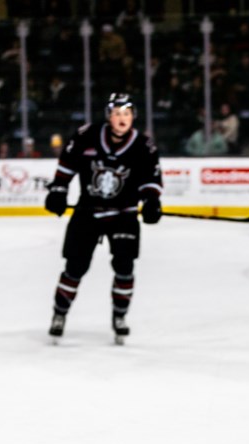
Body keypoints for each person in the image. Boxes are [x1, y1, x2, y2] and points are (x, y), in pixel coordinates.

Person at [43, 93, 163, 343]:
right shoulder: (87, 135)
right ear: (109, 116)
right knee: (75, 267)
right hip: (89, 210)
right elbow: (67, 163)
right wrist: (58, 190)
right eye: (117, 113)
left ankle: (120, 316)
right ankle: (59, 314)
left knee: (124, 266)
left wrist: (151, 201)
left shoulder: (143, 145)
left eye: (127, 114)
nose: (122, 119)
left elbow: (151, 178)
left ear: (133, 117)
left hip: (124, 213)